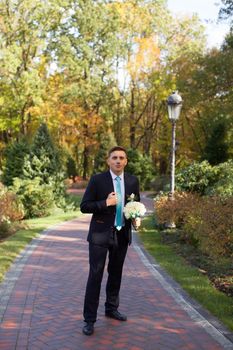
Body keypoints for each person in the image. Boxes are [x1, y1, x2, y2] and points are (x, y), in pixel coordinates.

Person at [80, 146, 140, 336]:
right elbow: (84, 206)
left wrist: (136, 218)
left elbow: (134, 204)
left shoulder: (132, 181)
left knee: (116, 273)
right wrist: (105, 203)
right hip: (100, 235)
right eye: (114, 157)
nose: (118, 161)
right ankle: (89, 320)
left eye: (122, 157)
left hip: (122, 235)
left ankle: (111, 308)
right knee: (95, 275)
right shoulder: (98, 180)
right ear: (108, 161)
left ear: (126, 161)